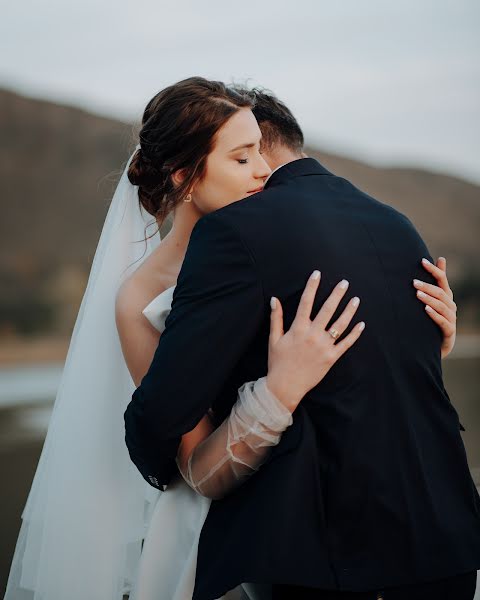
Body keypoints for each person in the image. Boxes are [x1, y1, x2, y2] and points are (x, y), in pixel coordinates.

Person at [1, 77, 461, 600]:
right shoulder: (138, 298)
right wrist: (280, 387)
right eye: (242, 159)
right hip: (232, 532)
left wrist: (424, 339)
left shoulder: (280, 242)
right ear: (185, 177)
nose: (265, 170)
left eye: (259, 154)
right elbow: (191, 463)